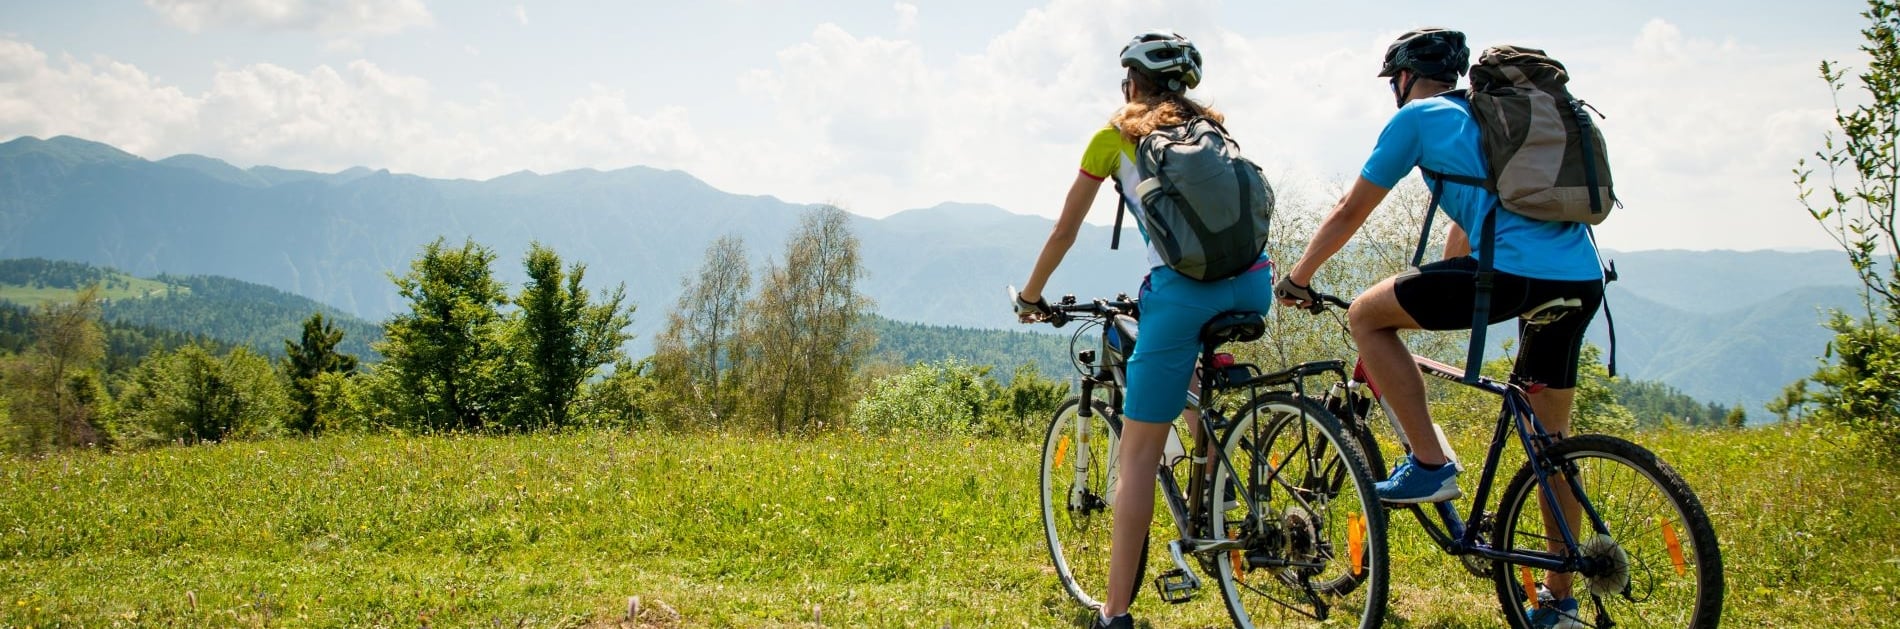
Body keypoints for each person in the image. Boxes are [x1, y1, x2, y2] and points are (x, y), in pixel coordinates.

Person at [1272, 28, 1604, 629]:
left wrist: (1299, 276)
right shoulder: (1489, 117)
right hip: (1581, 279)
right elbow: (1470, 223)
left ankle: (1430, 464)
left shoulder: (1418, 119)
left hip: (1513, 274)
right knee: (1551, 445)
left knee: (1366, 316)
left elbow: (1351, 209)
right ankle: (1560, 600)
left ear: (1402, 78)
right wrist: (1435, 278)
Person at [1014, 31, 1274, 629]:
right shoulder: (1216, 132)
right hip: (1253, 284)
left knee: (1137, 458)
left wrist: (1032, 297)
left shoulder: (1113, 138)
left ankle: (1114, 612)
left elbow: (1064, 230)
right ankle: (1218, 483)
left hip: (1182, 294)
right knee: (1191, 365)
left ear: (1131, 82)